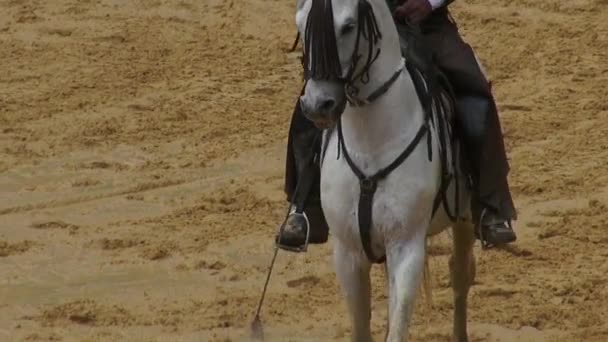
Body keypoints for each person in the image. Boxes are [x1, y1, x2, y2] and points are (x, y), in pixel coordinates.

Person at [276, 0, 517, 251]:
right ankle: (305, 208)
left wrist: (428, 3)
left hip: (424, 25)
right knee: (315, 98)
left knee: (475, 92)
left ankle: (490, 204)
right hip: (357, 26)